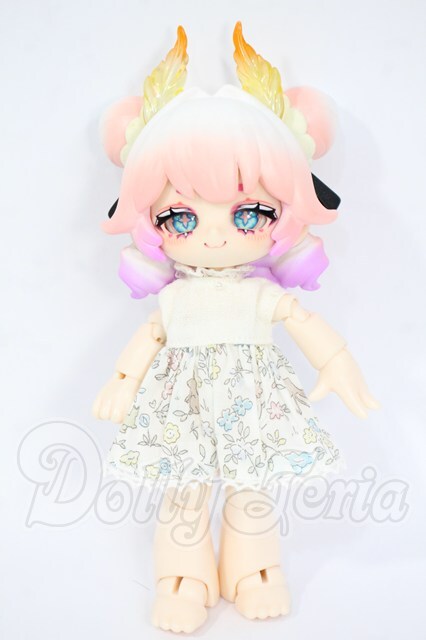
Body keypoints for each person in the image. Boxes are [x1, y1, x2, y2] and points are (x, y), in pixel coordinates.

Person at [93, 22, 379, 633]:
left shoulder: (259, 294)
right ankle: (184, 576)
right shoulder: (175, 300)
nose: (216, 234)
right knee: (185, 489)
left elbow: (301, 320)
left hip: (253, 402)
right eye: (180, 216)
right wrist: (121, 380)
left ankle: (253, 570)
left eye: (249, 213)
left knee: (252, 490)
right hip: (183, 405)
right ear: (150, 223)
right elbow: (150, 336)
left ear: (283, 215)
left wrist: (338, 361)